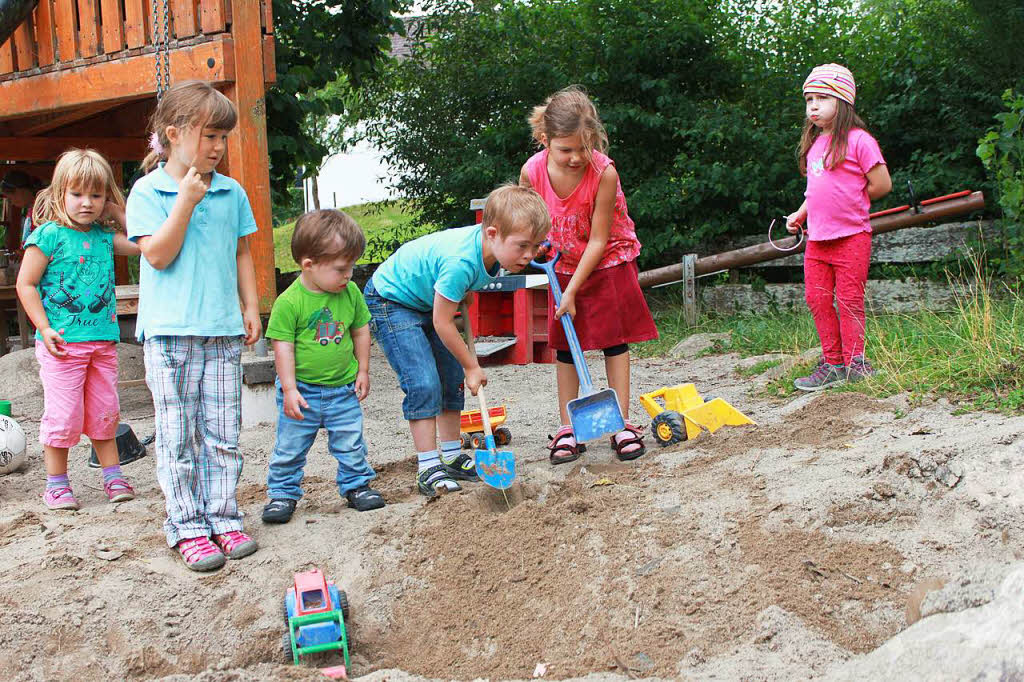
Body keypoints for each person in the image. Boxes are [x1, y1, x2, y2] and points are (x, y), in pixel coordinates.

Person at [126, 80, 262, 571]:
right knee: (177, 434)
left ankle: (223, 517)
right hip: (168, 335)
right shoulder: (148, 191)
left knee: (223, 433)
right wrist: (185, 200)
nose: (218, 147)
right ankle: (186, 526)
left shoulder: (231, 192)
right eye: (209, 136)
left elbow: (241, 252)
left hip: (221, 331)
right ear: (174, 134)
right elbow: (158, 255)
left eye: (223, 137)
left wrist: (251, 306)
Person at [364, 184, 550, 496]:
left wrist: (464, 294)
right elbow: (443, 322)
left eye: (535, 246)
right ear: (492, 234)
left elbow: (454, 301)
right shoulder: (461, 262)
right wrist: (471, 366)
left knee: (451, 380)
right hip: (392, 300)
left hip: (427, 299)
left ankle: (450, 457)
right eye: (522, 246)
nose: (530, 255)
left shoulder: (492, 254)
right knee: (424, 381)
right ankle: (428, 466)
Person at [520, 85, 658, 465]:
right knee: (566, 345)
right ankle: (568, 427)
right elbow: (528, 220)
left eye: (584, 147)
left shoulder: (603, 172)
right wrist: (535, 246)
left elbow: (598, 240)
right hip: (560, 265)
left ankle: (621, 423)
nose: (577, 157)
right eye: (566, 150)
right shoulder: (532, 172)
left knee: (614, 341)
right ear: (544, 138)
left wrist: (573, 290)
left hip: (607, 260)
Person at [15, 149, 141, 510]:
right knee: (64, 415)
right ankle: (56, 484)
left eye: (96, 195)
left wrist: (116, 210)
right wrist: (44, 327)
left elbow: (142, 243)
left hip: (102, 344)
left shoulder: (104, 236)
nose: (87, 203)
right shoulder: (48, 235)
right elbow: (26, 284)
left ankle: (112, 475)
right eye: (77, 194)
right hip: (62, 345)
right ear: (60, 193)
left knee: (105, 412)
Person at [261, 209, 385, 524]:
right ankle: (282, 494)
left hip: (342, 388)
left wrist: (363, 370)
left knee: (350, 442)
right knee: (290, 446)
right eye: (341, 269)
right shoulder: (289, 302)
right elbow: (283, 348)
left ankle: (356, 486)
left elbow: (360, 330)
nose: (349, 275)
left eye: (352, 267)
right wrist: (289, 388)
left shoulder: (350, 293)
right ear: (309, 265)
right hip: (301, 391)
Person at [785, 64, 891, 391]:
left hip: (851, 238)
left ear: (842, 102)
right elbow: (815, 190)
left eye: (822, 98)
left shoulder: (859, 141)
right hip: (817, 241)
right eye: (809, 100)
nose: (813, 107)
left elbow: (881, 184)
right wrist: (800, 214)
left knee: (849, 300)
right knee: (817, 300)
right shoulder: (816, 144)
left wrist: (851, 200)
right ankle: (832, 364)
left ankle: (855, 363)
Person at [1, 170, 43, 248]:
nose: (12, 202)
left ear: (20, 191)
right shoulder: (33, 209)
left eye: (11, 198)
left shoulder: (42, 209)